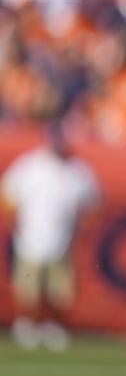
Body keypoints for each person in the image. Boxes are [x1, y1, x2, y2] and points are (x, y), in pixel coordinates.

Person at [2, 125, 99, 350]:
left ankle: (53, 327)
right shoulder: (30, 165)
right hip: (30, 238)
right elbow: (8, 193)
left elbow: (93, 201)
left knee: (60, 291)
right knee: (30, 290)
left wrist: (82, 225)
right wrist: (14, 221)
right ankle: (28, 326)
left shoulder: (77, 170)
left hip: (62, 240)